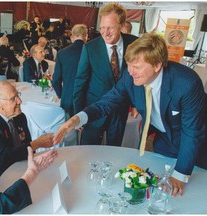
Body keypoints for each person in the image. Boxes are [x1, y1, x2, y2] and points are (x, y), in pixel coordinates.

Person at [53, 33, 207, 198]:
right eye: (128, 65)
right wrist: (77, 119)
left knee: (192, 194)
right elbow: (107, 102)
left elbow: (192, 132)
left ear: (157, 65)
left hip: (197, 147)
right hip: (164, 142)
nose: (131, 71)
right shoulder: (130, 76)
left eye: (137, 67)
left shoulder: (186, 83)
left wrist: (181, 175)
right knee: (161, 192)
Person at [73, 3, 138, 146]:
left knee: (114, 152)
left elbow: (137, 77)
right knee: (88, 153)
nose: (105, 32)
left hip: (120, 111)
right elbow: (80, 82)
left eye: (110, 27)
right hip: (94, 110)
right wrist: (78, 114)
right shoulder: (90, 48)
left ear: (121, 25)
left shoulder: (134, 44)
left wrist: (135, 103)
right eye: (102, 27)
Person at [0, 80, 56, 188]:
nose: (20, 101)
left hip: (21, 170)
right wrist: (37, 143)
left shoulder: (20, 117)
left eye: (18, 95)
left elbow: (27, 148)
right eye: (13, 98)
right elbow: (3, 158)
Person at [52, 24, 88, 118]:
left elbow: (56, 80)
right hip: (86, 99)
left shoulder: (62, 53)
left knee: (68, 129)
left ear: (72, 37)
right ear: (86, 37)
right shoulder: (92, 52)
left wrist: (61, 94)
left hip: (67, 97)